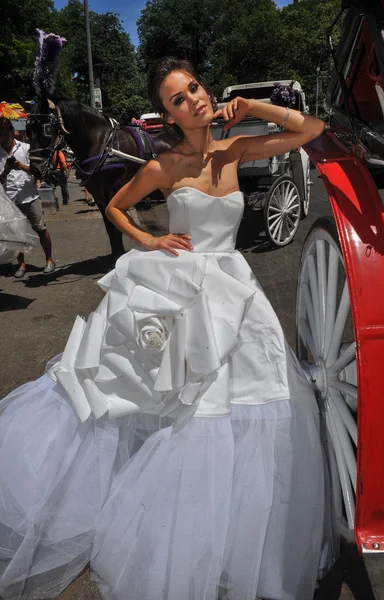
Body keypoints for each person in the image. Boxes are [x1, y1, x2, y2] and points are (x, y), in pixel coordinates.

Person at [0, 58, 330, 600]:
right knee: (175, 400)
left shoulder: (236, 147)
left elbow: (310, 129)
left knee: (246, 398)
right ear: (169, 113)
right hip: (182, 293)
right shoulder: (165, 164)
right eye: (178, 98)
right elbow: (115, 205)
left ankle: (235, 526)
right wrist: (150, 241)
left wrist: (248, 107)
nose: (193, 100)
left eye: (194, 88)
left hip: (236, 293)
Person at [0, 117, 55, 277]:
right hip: (11, 200)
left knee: (41, 228)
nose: (4, 140)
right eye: (1, 138)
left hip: (30, 196)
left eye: (6, 136)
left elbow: (38, 172)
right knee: (16, 235)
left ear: (12, 133)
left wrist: (23, 167)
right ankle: (21, 265)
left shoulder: (26, 148)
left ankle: (49, 260)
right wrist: (6, 171)